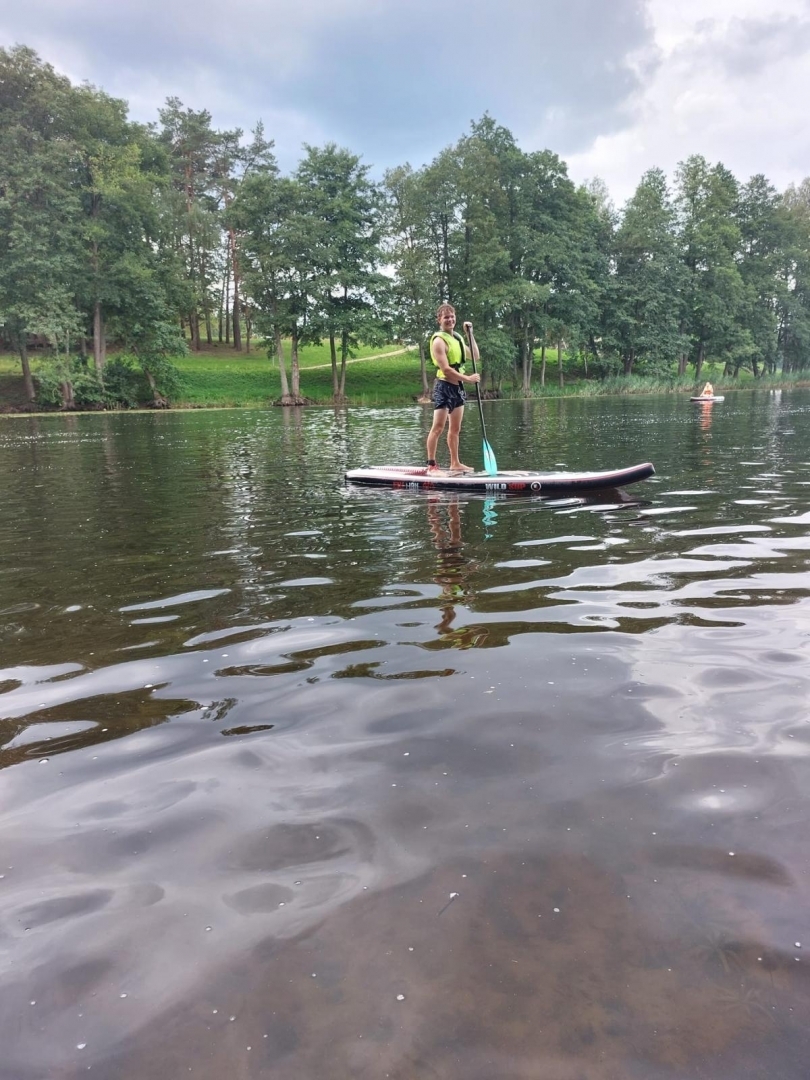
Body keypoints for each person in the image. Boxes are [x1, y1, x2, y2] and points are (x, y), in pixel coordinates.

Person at [425, 303, 481, 474]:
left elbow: (476, 356)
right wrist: (468, 379)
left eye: (452, 316)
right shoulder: (439, 341)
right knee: (438, 427)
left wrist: (469, 334)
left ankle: (455, 463)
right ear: (439, 320)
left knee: (455, 429)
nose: (450, 319)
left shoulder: (457, 339)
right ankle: (431, 465)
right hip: (443, 388)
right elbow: (446, 369)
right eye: (446, 317)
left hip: (458, 389)